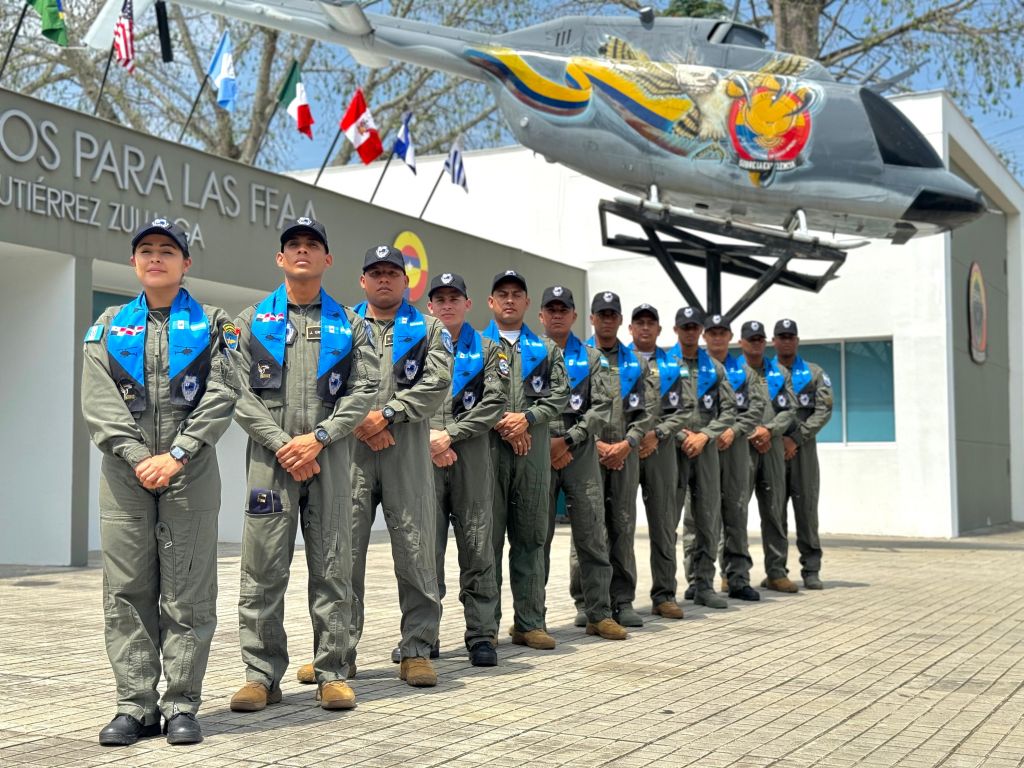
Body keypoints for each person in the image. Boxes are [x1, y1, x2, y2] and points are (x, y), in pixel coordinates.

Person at [82, 217, 239, 745]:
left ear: (185, 263)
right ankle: (135, 705)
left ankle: (181, 705)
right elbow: (98, 400)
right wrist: (134, 455)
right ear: (134, 262)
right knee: (127, 590)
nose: (155, 258)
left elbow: (223, 392)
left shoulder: (216, 324)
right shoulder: (107, 325)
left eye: (167, 250)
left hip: (189, 471)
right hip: (124, 475)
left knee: (188, 591)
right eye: (145, 250)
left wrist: (176, 453)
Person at [229, 218, 378, 713]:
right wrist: (281, 443)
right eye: (293, 245)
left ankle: (332, 671)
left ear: (327, 260)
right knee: (263, 569)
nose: (302, 251)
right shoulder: (250, 322)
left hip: (331, 459)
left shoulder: (350, 325)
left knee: (333, 566)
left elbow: (364, 391)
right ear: (279, 258)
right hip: (270, 464)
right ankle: (260, 675)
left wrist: (318, 439)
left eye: (313, 245)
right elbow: (235, 390)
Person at [348, 245, 452, 687]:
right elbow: (320, 387)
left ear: (406, 281)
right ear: (363, 280)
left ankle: (417, 648)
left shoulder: (428, 328)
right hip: (350, 455)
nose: (384, 279)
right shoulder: (340, 325)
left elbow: (437, 382)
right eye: (376, 272)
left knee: (415, 550)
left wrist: (387, 414)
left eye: (393, 272)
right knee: (341, 555)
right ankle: (337, 651)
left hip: (406, 453)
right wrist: (359, 422)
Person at [485, 270, 569, 650]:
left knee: (532, 538)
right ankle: (484, 627)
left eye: (517, 294)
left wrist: (527, 420)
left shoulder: (546, 350)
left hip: (532, 456)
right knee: (485, 542)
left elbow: (560, 396)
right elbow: (458, 395)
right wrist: (503, 421)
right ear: (490, 302)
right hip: (487, 452)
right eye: (502, 294)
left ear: (526, 303)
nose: (509, 300)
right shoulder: (475, 345)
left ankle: (530, 622)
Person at [537, 286, 627, 641]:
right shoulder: (530, 354)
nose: (558, 314)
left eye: (564, 308)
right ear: (541, 315)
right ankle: (531, 618)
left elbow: (602, 406)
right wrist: (547, 442)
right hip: (539, 451)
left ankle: (598, 613)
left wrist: (570, 440)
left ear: (575, 316)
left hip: (580, 450)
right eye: (551, 308)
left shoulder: (592, 358)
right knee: (535, 538)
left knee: (591, 534)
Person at [425, 272, 505, 667]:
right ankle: (423, 635)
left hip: (471, 458)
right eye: (439, 299)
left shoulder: (489, 350)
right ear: (430, 307)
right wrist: (429, 438)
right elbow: (396, 394)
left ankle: (482, 634)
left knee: (477, 546)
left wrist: (449, 436)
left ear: (468, 304)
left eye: (454, 297)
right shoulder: (416, 346)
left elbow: (494, 403)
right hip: (423, 458)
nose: (447, 305)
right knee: (424, 550)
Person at [584, 292, 657, 628]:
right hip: (587, 453)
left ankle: (623, 600)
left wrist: (628, 443)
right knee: (589, 528)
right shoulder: (577, 357)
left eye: (613, 314)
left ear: (619, 320)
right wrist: (596, 443)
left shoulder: (636, 364)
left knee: (623, 526)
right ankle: (588, 601)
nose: (607, 319)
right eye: (602, 314)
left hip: (626, 455)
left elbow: (648, 412)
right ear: (592, 318)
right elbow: (572, 408)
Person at [627, 304, 693, 619]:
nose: (644, 328)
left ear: (659, 329)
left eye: (650, 323)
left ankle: (665, 595)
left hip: (661, 451)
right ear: (630, 328)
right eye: (638, 323)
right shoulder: (615, 361)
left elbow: (686, 408)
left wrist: (659, 434)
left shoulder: (674, 365)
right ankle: (619, 599)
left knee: (664, 524)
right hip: (624, 449)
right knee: (619, 525)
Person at [672, 307, 736, 610]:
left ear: (700, 331)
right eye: (684, 327)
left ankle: (705, 583)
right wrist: (684, 436)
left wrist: (704, 436)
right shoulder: (665, 364)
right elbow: (655, 407)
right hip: (674, 449)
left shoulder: (714, 367)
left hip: (706, 449)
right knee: (673, 519)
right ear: (676, 330)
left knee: (708, 517)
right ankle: (676, 584)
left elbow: (729, 410)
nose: (689, 332)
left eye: (693, 327)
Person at [703, 314, 765, 601]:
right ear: (705, 336)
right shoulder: (694, 369)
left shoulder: (745, 372)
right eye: (712, 332)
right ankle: (698, 580)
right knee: (700, 516)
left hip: (737, 448)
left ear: (729, 337)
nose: (717, 338)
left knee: (737, 512)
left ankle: (738, 578)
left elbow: (756, 408)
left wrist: (734, 430)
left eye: (722, 332)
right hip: (704, 450)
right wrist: (710, 433)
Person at [737, 320, 798, 593]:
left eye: (760, 339)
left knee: (774, 510)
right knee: (736, 511)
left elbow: (790, 410)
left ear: (766, 342)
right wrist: (753, 432)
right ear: (741, 343)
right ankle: (734, 571)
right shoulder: (732, 371)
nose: (756, 343)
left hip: (772, 448)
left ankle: (776, 571)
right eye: (751, 339)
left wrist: (768, 430)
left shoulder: (779, 372)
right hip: (741, 448)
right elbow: (726, 409)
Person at [773, 319, 834, 590]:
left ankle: (811, 569)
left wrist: (796, 438)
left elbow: (824, 410)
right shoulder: (766, 373)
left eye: (791, 336)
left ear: (797, 340)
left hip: (803, 451)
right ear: (773, 341)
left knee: (806, 509)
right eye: (781, 337)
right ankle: (776, 570)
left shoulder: (813, 373)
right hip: (772, 451)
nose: (786, 341)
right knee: (774, 511)